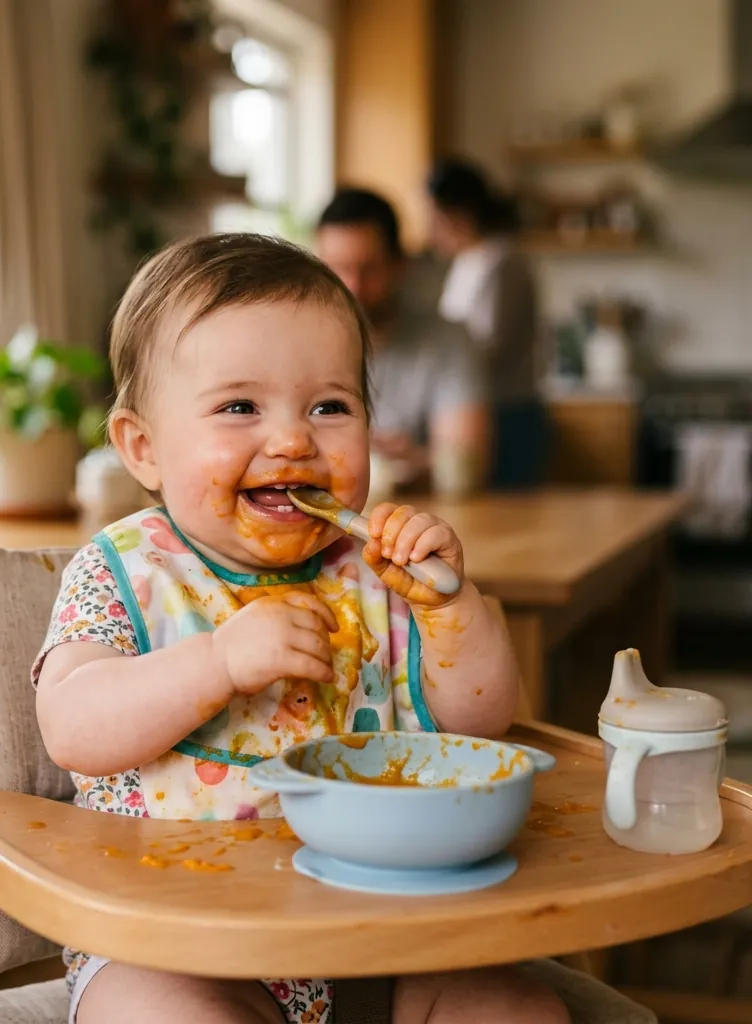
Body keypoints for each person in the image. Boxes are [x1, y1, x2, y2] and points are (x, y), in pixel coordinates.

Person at [34, 233, 568, 1024]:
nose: (293, 440)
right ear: (143, 448)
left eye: (330, 407)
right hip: (175, 945)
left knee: (513, 1009)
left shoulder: (372, 572)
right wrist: (217, 662)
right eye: (239, 407)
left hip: (380, 933)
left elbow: (479, 724)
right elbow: (72, 725)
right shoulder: (127, 571)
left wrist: (450, 611)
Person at [315, 187, 489, 490]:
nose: (353, 286)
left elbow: (465, 463)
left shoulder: (447, 340)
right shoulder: (296, 344)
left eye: (368, 269)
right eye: (338, 269)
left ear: (399, 264)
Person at [427, 158, 546, 489]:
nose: (430, 229)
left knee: (506, 508)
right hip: (478, 405)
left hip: (507, 410)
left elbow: (488, 344)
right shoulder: (467, 261)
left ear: (458, 215)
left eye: (434, 217)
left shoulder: (502, 262)